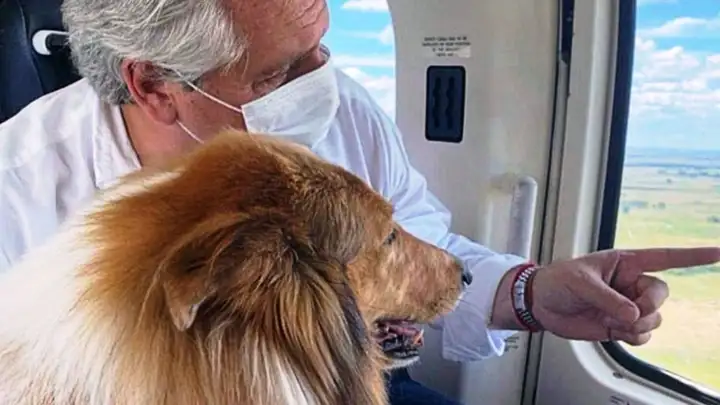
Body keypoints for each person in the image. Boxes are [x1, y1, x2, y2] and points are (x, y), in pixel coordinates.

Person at [0, 0, 717, 403]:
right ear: (156, 85)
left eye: (321, 46)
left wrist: (529, 292)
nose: (325, 80)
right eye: (280, 71)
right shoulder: (19, 187)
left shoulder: (346, 110)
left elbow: (414, 251)